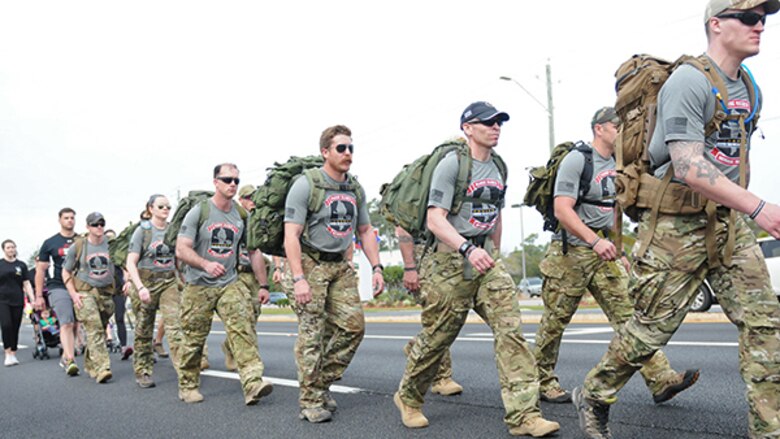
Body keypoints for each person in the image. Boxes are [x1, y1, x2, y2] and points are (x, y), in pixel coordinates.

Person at [573, 2, 780, 438]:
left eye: (764, 16)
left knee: (765, 325)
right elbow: (687, 166)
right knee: (649, 333)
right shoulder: (690, 81)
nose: (759, 25)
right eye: (748, 17)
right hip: (674, 227)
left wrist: (742, 209)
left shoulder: (748, 86)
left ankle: (769, 428)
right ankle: (594, 393)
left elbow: (732, 158)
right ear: (716, 24)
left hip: (727, 226)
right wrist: (759, 207)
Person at [394, 102, 558, 437]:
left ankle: (524, 415)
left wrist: (492, 254)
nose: (495, 127)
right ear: (467, 128)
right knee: (439, 337)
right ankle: (408, 397)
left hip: (484, 258)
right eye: (486, 123)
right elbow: (434, 219)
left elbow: (495, 215)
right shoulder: (452, 164)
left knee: (510, 329)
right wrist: (467, 248)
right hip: (448, 260)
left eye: (498, 122)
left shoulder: (498, 165)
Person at [534, 107, 699, 405]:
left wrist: (617, 248)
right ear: (599, 129)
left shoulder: (619, 163)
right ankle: (540, 381)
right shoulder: (577, 160)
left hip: (603, 252)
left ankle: (660, 379)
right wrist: (594, 242)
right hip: (569, 253)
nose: (622, 131)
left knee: (630, 316)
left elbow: (613, 211)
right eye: (616, 126)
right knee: (555, 321)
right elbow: (562, 210)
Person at [283, 125, 385, 423]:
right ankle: (311, 400)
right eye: (341, 148)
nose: (348, 153)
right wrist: (299, 277)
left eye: (351, 148)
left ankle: (320, 382)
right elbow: (292, 234)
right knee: (312, 333)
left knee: (354, 327)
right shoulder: (306, 184)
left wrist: (376, 267)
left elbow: (365, 231)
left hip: (339, 266)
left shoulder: (354, 188)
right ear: (325, 152)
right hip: (309, 264)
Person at [175, 163, 273, 404]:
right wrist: (205, 264)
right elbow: (181, 248)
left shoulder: (241, 215)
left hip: (229, 283)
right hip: (198, 285)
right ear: (215, 182)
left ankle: (252, 383)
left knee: (243, 329)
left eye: (236, 181)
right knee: (193, 339)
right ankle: (187, 385)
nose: (232, 184)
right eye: (227, 179)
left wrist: (263, 285)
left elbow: (254, 251)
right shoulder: (200, 212)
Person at [396, 226, 463, 396]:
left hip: (454, 251)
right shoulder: (411, 199)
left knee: (452, 313)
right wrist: (410, 267)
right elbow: (403, 228)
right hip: (424, 254)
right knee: (438, 315)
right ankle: (441, 377)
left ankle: (417, 346)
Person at [125, 194, 183, 388]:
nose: (165, 209)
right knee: (144, 330)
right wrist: (140, 286)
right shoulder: (142, 231)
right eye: (161, 206)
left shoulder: (173, 230)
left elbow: (178, 259)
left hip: (168, 282)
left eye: (168, 206)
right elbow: (130, 262)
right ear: (151, 208)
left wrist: (182, 279)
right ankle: (143, 371)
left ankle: (185, 372)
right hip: (146, 283)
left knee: (175, 327)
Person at [62, 212, 116, 384]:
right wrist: (73, 293)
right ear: (87, 227)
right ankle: (102, 368)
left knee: (101, 325)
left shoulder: (112, 245)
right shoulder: (78, 246)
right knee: (95, 328)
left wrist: (129, 280)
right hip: (84, 291)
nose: (99, 227)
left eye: (101, 223)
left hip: (106, 292)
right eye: (95, 224)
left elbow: (125, 262)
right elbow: (66, 272)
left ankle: (90, 363)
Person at [221, 184, 266, 372]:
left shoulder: (259, 220)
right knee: (242, 315)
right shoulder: (235, 219)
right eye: (248, 198)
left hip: (253, 273)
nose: (252, 201)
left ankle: (230, 346)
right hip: (237, 274)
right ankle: (244, 358)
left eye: (254, 198)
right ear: (241, 200)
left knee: (254, 315)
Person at [35, 207, 80, 376]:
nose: (70, 220)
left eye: (72, 218)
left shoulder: (81, 240)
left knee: (76, 324)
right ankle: (70, 359)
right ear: (60, 220)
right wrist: (39, 296)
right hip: (58, 286)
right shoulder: (50, 243)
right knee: (66, 322)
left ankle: (66, 353)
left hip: (78, 287)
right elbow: (40, 270)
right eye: (66, 218)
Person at [0, 239, 34, 366]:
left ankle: (13, 353)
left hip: (17, 299)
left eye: (13, 247)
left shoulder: (21, 265)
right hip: (2, 300)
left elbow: (26, 283)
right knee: (6, 325)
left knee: (15, 326)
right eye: (8, 247)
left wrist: (32, 298)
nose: (11, 249)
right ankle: (7, 353)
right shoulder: (1, 264)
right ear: (4, 249)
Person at [104, 229, 133, 361]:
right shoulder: (100, 253)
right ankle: (102, 344)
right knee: (101, 319)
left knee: (120, 318)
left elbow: (127, 269)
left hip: (118, 290)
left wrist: (128, 282)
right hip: (103, 291)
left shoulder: (119, 254)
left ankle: (123, 346)